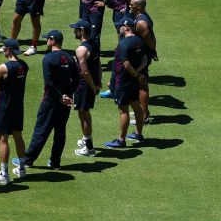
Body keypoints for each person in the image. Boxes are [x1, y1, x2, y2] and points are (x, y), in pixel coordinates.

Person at [13, 30, 80, 173]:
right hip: (65, 102)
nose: (46, 41)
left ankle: (28, 159)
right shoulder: (69, 58)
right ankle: (55, 162)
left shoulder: (48, 59)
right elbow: (77, 79)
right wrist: (68, 95)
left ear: (53, 40)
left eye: (48, 39)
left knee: (41, 130)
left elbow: (49, 82)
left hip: (51, 101)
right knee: (60, 131)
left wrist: (60, 96)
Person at [0, 39, 28, 185]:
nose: (3, 51)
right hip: (18, 107)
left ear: (9, 50)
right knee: (18, 136)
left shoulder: (4, 67)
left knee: (2, 139)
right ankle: (22, 169)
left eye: (4, 49)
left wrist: (2, 84)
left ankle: (4, 174)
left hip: (4, 107)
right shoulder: (24, 65)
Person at [104, 18, 147, 148]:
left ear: (127, 27)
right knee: (136, 105)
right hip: (133, 81)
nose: (119, 28)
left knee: (123, 110)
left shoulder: (124, 43)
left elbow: (126, 64)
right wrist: (138, 74)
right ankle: (138, 134)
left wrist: (135, 74)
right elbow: (144, 59)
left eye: (120, 26)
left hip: (123, 81)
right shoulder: (139, 40)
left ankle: (121, 140)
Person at [70, 20, 101, 157]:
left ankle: (89, 148)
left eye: (76, 29)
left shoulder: (81, 50)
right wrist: (98, 82)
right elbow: (98, 65)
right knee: (84, 114)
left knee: (84, 114)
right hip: (91, 84)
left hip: (84, 86)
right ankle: (85, 139)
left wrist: (93, 87)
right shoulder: (94, 44)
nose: (74, 31)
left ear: (82, 31)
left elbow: (85, 72)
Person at [130, 0, 156, 124]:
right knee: (139, 83)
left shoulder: (141, 23)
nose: (130, 6)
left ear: (139, 7)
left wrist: (150, 52)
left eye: (133, 4)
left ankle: (144, 116)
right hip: (142, 55)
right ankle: (141, 111)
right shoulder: (143, 16)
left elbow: (149, 42)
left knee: (142, 84)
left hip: (141, 58)